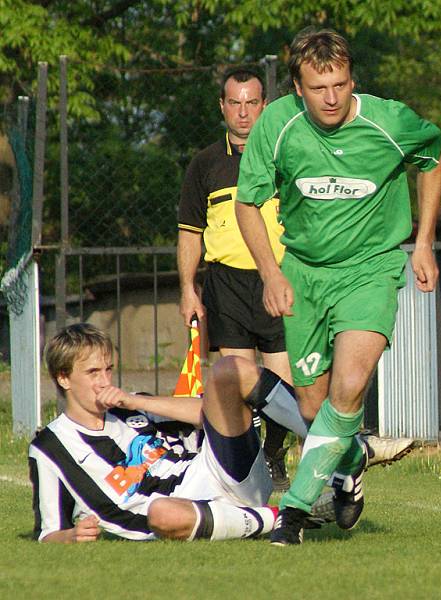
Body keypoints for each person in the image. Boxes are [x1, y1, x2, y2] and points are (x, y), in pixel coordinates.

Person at [235, 28, 441, 545]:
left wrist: (422, 241)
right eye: (318, 88)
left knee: (349, 388)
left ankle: (296, 512)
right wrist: (271, 273)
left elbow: (433, 157)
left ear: (353, 79)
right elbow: (247, 202)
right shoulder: (277, 127)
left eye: (341, 84)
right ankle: (349, 463)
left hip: (371, 270)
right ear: (296, 88)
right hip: (304, 274)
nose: (332, 98)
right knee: (313, 407)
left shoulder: (389, 120)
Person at [29, 323, 330, 543]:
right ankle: (285, 515)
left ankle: (335, 441)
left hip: (221, 472)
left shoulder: (129, 406)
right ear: (64, 378)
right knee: (162, 513)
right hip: (180, 513)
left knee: (229, 370)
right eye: (93, 373)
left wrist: (135, 400)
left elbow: (206, 412)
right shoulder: (50, 447)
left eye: (108, 369)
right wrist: (72, 535)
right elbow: (48, 533)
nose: (105, 380)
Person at [177, 66, 293, 490]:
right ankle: (245, 467)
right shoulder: (205, 163)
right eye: (235, 103)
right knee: (239, 380)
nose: (243, 113)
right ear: (222, 106)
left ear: (265, 105)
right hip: (226, 284)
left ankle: (275, 453)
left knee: (285, 381)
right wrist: (188, 288)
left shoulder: (286, 157)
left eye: (252, 103)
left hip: (278, 281)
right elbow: (189, 232)